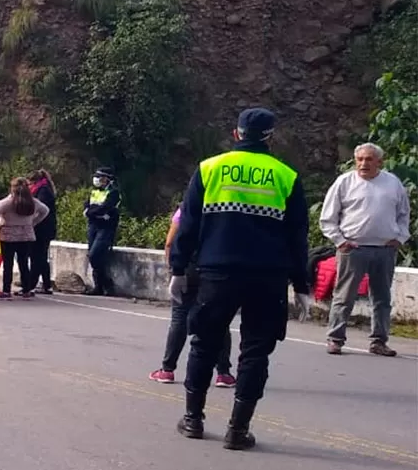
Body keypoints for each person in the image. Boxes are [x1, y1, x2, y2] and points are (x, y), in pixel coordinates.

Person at [170, 108, 311, 450]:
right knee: (255, 351)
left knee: (204, 343)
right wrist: (302, 285)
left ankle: (193, 420)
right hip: (268, 277)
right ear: (270, 137)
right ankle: (237, 429)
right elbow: (297, 236)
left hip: (218, 273)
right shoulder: (285, 175)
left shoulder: (210, 168)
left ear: (236, 133)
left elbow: (187, 226)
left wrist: (177, 269)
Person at [320, 142, 410, 357]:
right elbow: (328, 218)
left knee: (381, 298)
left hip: (384, 250)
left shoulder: (393, 183)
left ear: (380, 162)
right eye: (359, 159)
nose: (363, 164)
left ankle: (379, 341)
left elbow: (404, 214)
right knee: (344, 296)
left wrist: (400, 238)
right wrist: (340, 241)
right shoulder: (344, 182)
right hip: (353, 248)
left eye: (369, 159)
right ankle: (335, 338)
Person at [152, 205, 235, 387]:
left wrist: (173, 269)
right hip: (215, 270)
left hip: (188, 270)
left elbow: (169, 242)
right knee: (219, 321)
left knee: (179, 318)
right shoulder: (224, 209)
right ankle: (223, 373)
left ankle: (167, 370)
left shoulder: (185, 209)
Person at [0, 177, 51, 298]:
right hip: (26, 235)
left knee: (8, 264)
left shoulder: (7, 202)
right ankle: (26, 289)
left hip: (8, 234)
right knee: (23, 263)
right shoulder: (33, 202)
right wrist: (33, 222)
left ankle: (6, 290)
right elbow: (45, 211)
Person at [83, 166, 121, 296]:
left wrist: (92, 211)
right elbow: (87, 206)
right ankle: (98, 286)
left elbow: (105, 208)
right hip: (93, 225)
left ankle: (107, 283)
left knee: (95, 255)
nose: (97, 179)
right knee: (93, 255)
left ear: (108, 179)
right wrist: (93, 212)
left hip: (106, 227)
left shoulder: (113, 193)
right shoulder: (94, 191)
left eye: (101, 177)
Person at [28, 170, 57, 295]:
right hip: (46, 228)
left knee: (36, 257)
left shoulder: (42, 191)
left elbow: (40, 208)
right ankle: (47, 285)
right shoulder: (44, 189)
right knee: (42, 257)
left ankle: (30, 285)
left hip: (41, 229)